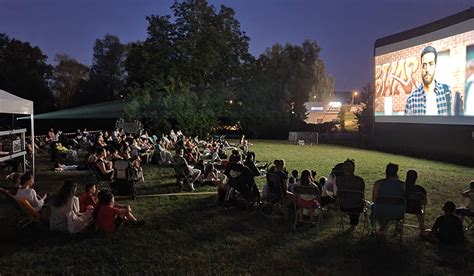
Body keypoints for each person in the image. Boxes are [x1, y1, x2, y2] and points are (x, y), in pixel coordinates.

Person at [404, 46, 452, 115]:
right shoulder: (412, 100)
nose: (427, 69)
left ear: (435, 66)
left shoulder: (447, 92)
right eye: (424, 65)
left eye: (431, 64)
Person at [371, 163, 405, 238]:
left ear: (386, 171)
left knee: (374, 207)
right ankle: (384, 229)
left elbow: (374, 200)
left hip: (380, 210)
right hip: (397, 212)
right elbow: (405, 200)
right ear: (396, 172)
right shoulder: (403, 185)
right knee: (391, 209)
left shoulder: (378, 183)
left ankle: (382, 229)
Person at [336, 159, 365, 229]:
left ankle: (353, 223)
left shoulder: (338, 180)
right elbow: (361, 194)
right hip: (357, 206)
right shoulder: (360, 180)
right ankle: (353, 224)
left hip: (343, 206)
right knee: (355, 202)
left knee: (351, 200)